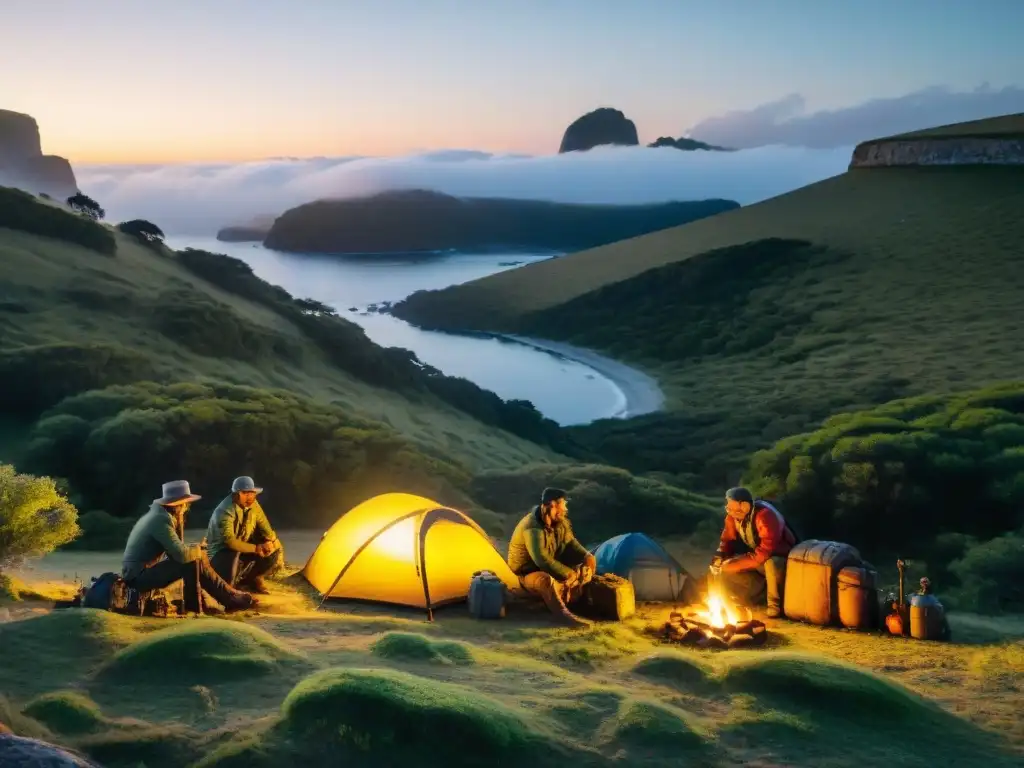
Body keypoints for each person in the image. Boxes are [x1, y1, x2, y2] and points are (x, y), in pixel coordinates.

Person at [121, 480, 256, 613]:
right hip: (137, 578)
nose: (187, 508)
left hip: (140, 572)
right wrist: (199, 550)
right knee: (192, 560)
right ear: (180, 504)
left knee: (194, 556)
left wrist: (195, 549)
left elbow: (176, 551)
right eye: (186, 504)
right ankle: (225, 598)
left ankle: (215, 599)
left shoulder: (161, 515)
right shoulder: (161, 520)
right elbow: (181, 556)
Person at [507, 487, 597, 628]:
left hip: (551, 567)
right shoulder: (532, 527)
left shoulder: (560, 522)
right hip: (526, 574)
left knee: (586, 563)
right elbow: (542, 560)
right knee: (545, 580)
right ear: (552, 505)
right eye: (563, 504)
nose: (565, 509)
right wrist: (568, 574)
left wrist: (588, 558)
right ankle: (564, 616)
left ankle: (582, 602)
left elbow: (571, 544)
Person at [712, 486, 798, 618]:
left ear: (744, 506)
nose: (728, 508)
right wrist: (720, 555)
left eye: (731, 504)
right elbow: (727, 539)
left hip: (780, 557)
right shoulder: (734, 516)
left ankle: (775, 606)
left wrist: (740, 563)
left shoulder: (765, 516)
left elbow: (766, 550)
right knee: (723, 568)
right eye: (728, 505)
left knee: (771, 563)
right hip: (760, 556)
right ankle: (747, 600)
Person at [206, 476, 283, 595]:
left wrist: (273, 542)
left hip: (242, 547)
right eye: (245, 493)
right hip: (221, 554)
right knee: (233, 553)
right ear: (236, 494)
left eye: (252, 493)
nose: (250, 497)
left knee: (271, 547)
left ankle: (252, 579)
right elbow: (230, 542)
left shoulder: (254, 505)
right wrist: (256, 548)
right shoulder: (225, 511)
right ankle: (229, 589)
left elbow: (265, 527)